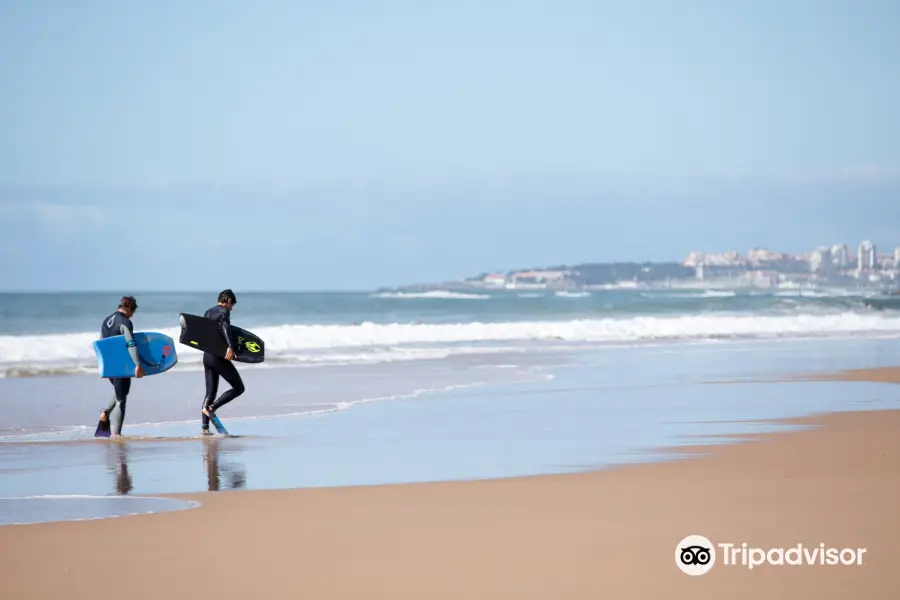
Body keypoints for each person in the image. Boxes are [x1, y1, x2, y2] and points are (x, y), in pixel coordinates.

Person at [200, 289, 245, 435]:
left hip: (207, 356)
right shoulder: (224, 311)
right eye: (232, 305)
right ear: (229, 301)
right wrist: (230, 347)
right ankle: (211, 408)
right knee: (238, 388)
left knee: (209, 393)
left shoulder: (208, 312)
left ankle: (205, 429)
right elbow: (225, 327)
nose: (231, 308)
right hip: (218, 357)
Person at [99, 295, 144, 437]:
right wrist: (137, 364)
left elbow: (101, 344)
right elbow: (131, 343)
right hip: (122, 365)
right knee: (121, 399)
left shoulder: (106, 321)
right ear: (130, 308)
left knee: (120, 392)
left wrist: (103, 366)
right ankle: (116, 433)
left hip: (110, 365)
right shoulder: (125, 322)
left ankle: (105, 413)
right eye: (133, 312)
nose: (132, 315)